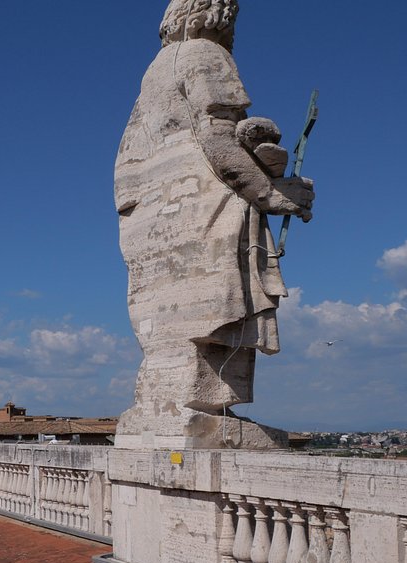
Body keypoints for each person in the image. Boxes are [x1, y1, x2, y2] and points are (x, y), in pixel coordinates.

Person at [113, 0, 314, 446]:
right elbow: (216, 135)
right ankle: (196, 404)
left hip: (159, 218)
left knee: (177, 326)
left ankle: (163, 404)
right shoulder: (205, 54)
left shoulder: (154, 72)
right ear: (220, 15)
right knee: (213, 309)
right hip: (204, 207)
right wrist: (273, 192)